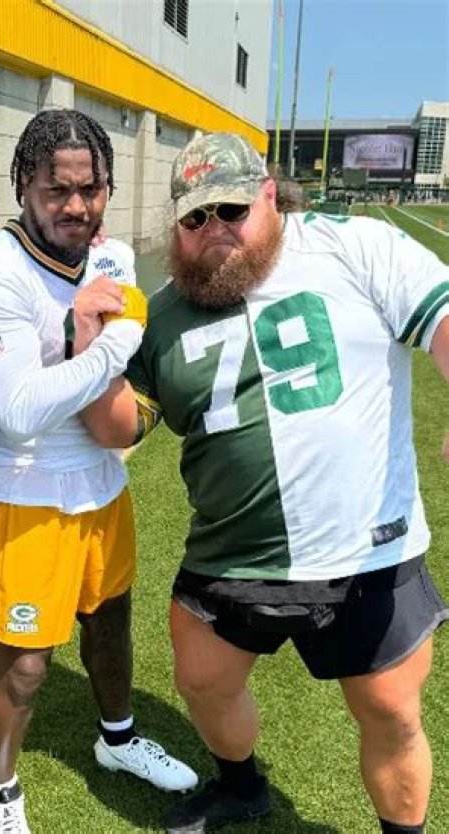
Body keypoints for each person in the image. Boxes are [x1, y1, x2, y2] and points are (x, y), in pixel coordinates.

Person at [79, 131, 449, 833]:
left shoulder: (355, 248)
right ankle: (242, 786)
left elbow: (443, 319)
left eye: (231, 209)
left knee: (392, 713)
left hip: (364, 549)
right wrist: (88, 346)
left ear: (270, 197)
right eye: (196, 217)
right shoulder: (162, 314)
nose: (214, 228)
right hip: (234, 552)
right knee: (203, 681)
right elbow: (117, 428)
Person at [0, 109, 197, 834]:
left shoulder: (111, 255)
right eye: (55, 189)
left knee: (111, 627)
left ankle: (117, 740)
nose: (74, 206)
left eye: (89, 189)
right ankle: (0, 795)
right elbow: (20, 408)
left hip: (102, 485)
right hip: (23, 492)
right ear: (23, 187)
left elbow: (122, 331)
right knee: (26, 667)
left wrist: (98, 339)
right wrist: (97, 342)